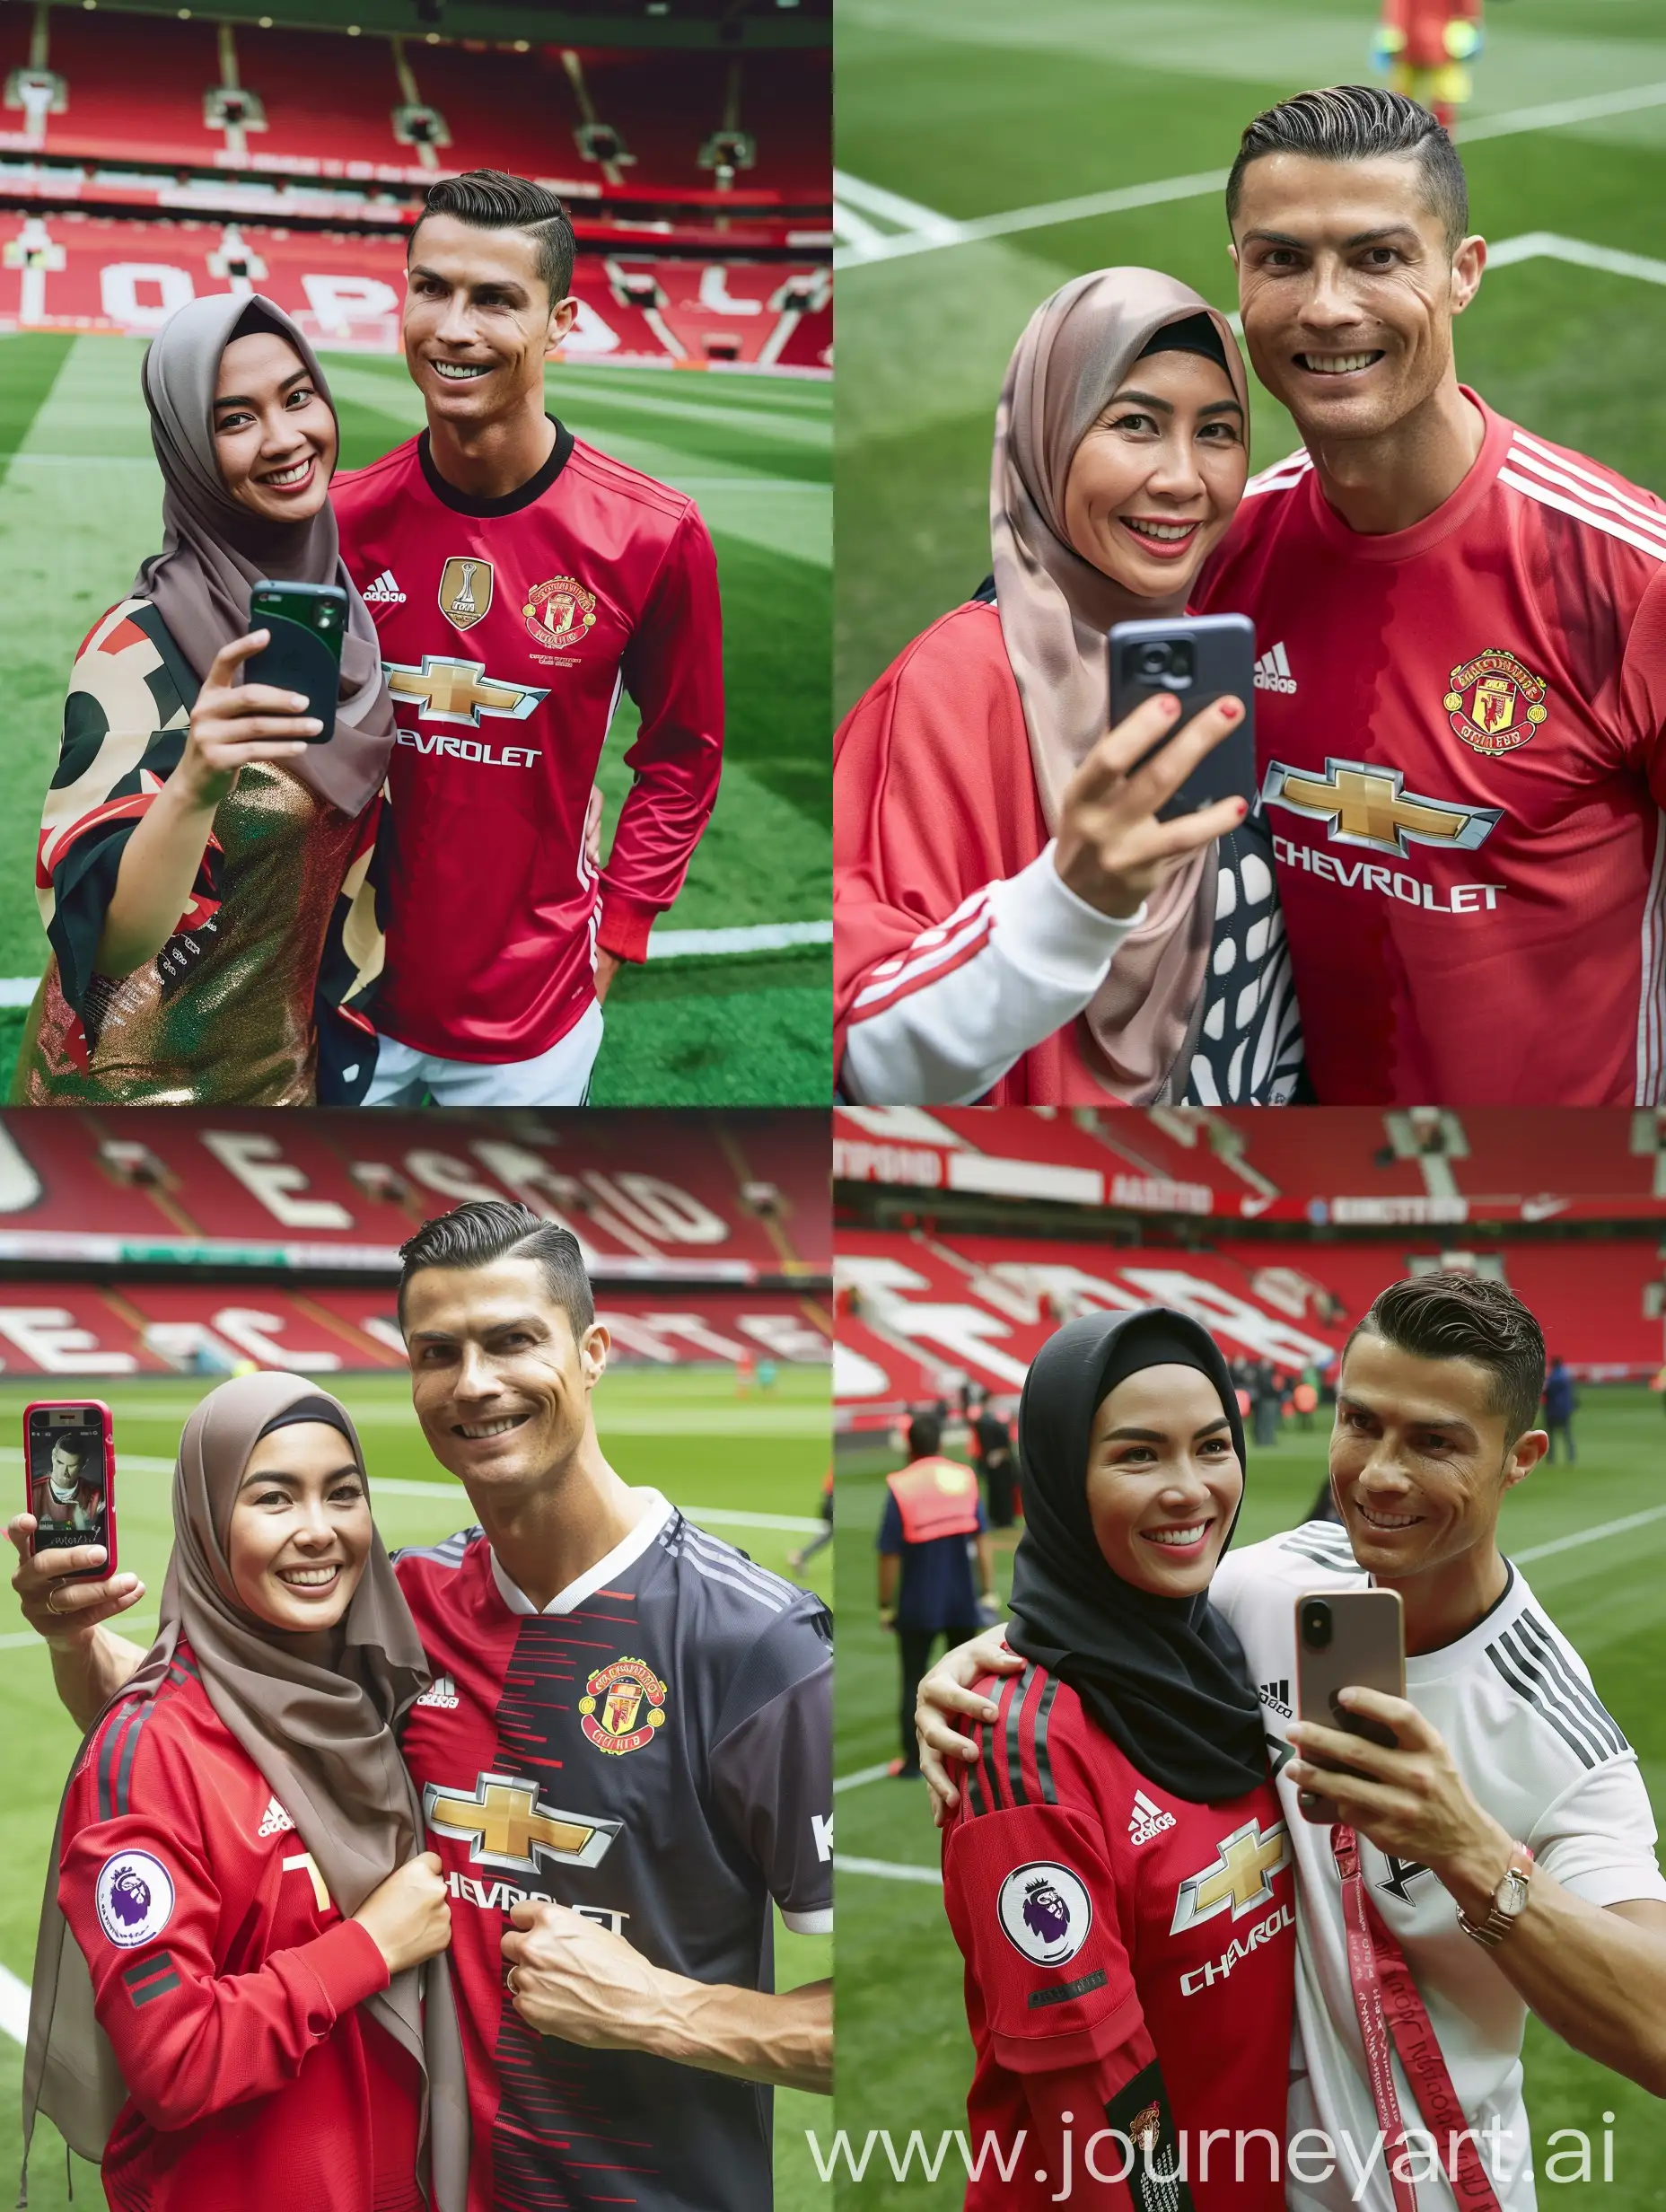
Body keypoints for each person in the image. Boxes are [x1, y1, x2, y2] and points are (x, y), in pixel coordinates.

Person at [13, 1200, 832, 2211]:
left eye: (511, 1340)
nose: (474, 1382)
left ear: (593, 1352)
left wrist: (663, 2009)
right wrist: (73, 1636)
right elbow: (196, 1734)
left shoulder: (758, 1645)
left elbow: (888, 2012)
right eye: (437, 1351)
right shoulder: (406, 1610)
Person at [919, 1273, 1666, 2211]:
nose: (1380, 1473)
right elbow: (1116, 1618)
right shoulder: (1261, 1589)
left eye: (1433, 1442)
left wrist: (1465, 1848)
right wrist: (981, 1664)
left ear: (1519, 1458)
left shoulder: (1555, 1731)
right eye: (1360, 1422)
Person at [1197, 86, 1666, 1104]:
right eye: (1282, 258)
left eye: (1376, 256)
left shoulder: (1628, 580)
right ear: (1237, 277)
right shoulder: (1216, 566)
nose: (1325, 306)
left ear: (1461, 274)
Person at [835, 268, 1304, 1107]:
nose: (1182, 479)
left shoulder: (1216, 649)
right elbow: (870, 1056)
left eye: (1218, 432)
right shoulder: (955, 684)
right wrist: (1074, 899)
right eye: (1135, 424)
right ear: (1046, 432)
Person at [21, 1372, 467, 2212]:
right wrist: (370, 1946)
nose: (319, 1531)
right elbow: (176, 2060)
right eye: (273, 1499)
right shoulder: (148, 1749)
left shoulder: (372, 1698)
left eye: (344, 1493)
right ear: (205, 1520)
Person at [325, 170, 724, 1107]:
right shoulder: (338, 520)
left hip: (530, 1017)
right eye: (430, 288)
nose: (452, 327)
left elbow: (682, 754)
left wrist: (620, 932)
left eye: (496, 299)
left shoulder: (652, 535)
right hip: (344, 996)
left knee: (511, 1252)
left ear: (561, 323)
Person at [943, 1309, 1294, 2208]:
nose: (1190, 1488)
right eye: (1138, 1455)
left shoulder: (1227, 1650)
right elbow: (1093, 2101)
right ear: (1062, 1479)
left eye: (1211, 1445)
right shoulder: (1021, 1748)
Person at [12, 294, 392, 1105]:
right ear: (187, 448)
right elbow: (111, 943)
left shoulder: (347, 615)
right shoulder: (138, 645)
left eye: (297, 397)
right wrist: (194, 783)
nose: (286, 438)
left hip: (288, 1081)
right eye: (234, 419)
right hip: (126, 1101)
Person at [876, 1414, 995, 1779]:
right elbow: (981, 1541)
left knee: (914, 1680)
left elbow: (889, 1554)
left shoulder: (902, 1486)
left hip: (918, 1602)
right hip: (962, 1599)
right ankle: (970, 1750)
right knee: (966, 1679)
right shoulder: (963, 1478)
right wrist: (987, 1591)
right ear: (941, 1442)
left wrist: (885, 1605)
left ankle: (914, 1762)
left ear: (909, 1446)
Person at [1372, 0, 1482, 132]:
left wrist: (1390, 35)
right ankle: (1442, 145)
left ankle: (1402, 144)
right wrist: (1471, 27)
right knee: (1441, 103)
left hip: (1410, 43)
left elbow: (1397, 8)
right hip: (1443, 46)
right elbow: (1467, 9)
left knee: (1402, 101)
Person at [31, 1434, 105, 1535]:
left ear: (83, 1464)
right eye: (60, 1463)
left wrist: (84, 1527)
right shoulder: (33, 1491)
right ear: (53, 1456)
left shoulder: (97, 1496)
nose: (64, 1471)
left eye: (71, 1466)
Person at [969, 1391, 1018, 1529]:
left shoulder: (992, 1420)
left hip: (1001, 1460)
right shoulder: (985, 1421)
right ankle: (1000, 1519)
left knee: (1003, 1491)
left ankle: (1004, 1519)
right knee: (997, 1490)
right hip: (993, 1459)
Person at [787, 1465, 834, 1578]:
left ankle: (800, 1556)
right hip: (833, 1503)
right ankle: (800, 1556)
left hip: (828, 1501)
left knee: (829, 1534)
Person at [1543, 1355, 1577, 1463]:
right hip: (1564, 1410)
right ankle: (1571, 1457)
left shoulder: (1552, 1377)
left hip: (1553, 1410)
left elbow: (1547, 1391)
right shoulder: (1565, 1376)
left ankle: (1551, 1459)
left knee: (1550, 1436)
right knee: (1567, 1434)